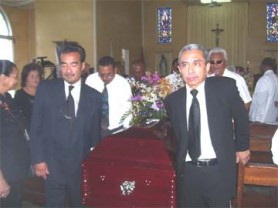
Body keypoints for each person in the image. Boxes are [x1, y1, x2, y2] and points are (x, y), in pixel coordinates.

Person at [164, 43, 250, 207]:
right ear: (179, 69)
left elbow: (241, 117)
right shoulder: (173, 100)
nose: (190, 70)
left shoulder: (224, 87)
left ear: (207, 67)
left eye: (196, 64)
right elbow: (177, 135)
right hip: (188, 171)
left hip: (217, 168)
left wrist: (242, 146)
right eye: (185, 65)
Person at [29, 41, 102, 207]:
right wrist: (38, 159)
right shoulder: (46, 89)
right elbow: (36, 127)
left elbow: (95, 136)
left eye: (73, 65)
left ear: (82, 66)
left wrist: (93, 165)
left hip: (80, 166)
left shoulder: (94, 97)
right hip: (52, 165)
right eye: (64, 65)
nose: (68, 71)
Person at [0, 60, 30, 207]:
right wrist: (1, 180)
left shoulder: (7, 98)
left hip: (14, 169)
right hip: (4, 172)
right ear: (2, 78)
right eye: (14, 76)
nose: (17, 80)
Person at [85, 56, 132, 138]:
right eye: (101, 75)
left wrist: (126, 129)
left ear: (115, 70)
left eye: (108, 75)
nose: (105, 78)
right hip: (95, 128)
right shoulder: (91, 81)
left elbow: (127, 109)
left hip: (116, 129)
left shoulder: (123, 84)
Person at [249, 57, 278, 124]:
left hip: (262, 120)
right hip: (272, 118)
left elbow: (260, 102)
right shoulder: (276, 78)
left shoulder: (264, 80)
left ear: (263, 66)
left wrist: (258, 120)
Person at [14, 63, 42, 129]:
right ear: (26, 78)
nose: (36, 79)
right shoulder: (20, 95)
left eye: (37, 76)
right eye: (32, 76)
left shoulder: (43, 92)